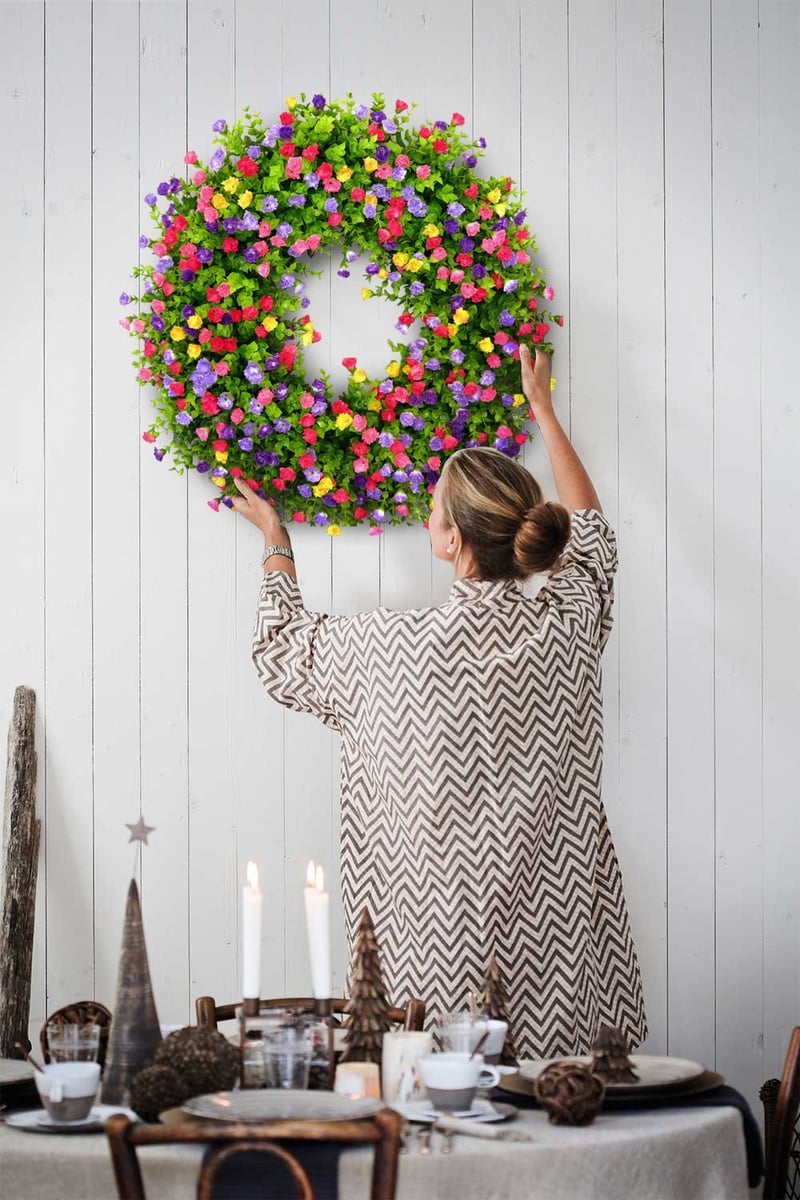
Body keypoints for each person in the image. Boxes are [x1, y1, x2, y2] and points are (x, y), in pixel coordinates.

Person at [233, 346, 647, 1058]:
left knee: (439, 1131)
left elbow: (280, 653)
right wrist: (543, 409)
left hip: (430, 958)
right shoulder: (567, 618)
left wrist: (277, 543)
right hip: (566, 952)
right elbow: (593, 534)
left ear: (450, 539)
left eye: (431, 510)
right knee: (571, 1124)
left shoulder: (388, 647)